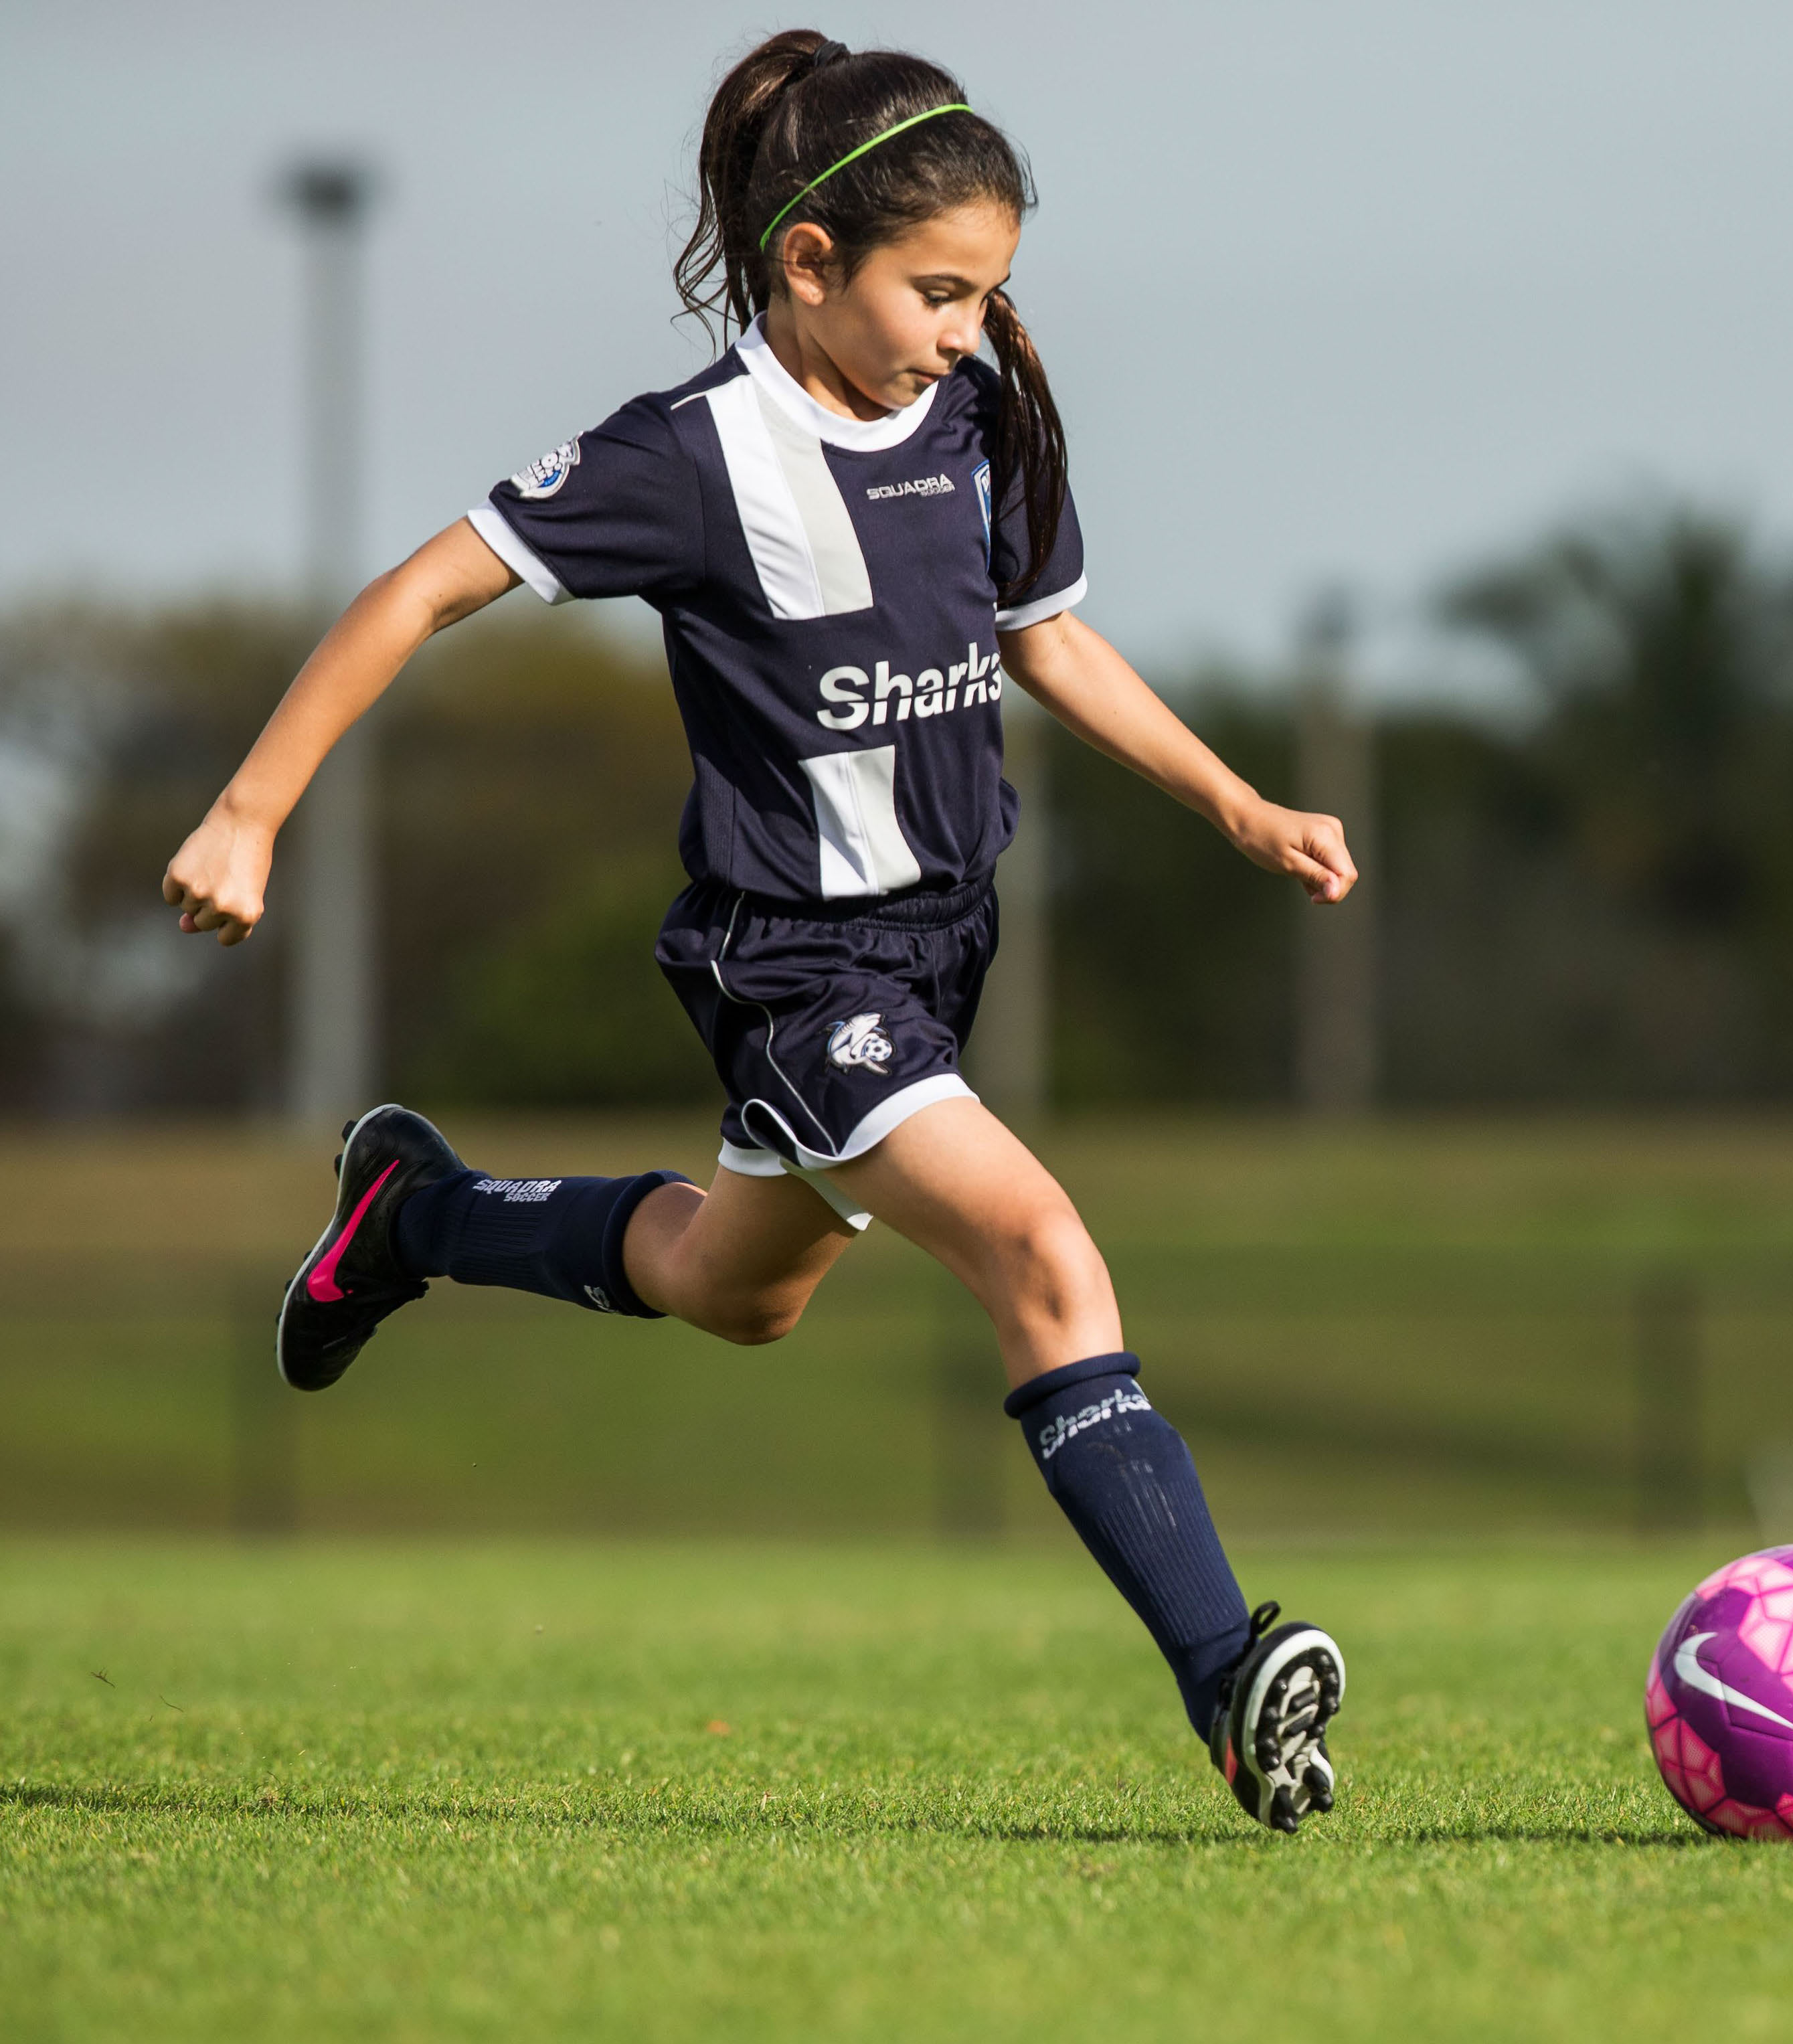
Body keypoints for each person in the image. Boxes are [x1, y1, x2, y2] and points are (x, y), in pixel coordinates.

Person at [161, 31, 1347, 1830]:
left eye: (988, 291)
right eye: (937, 292)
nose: (967, 329)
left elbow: (1043, 635)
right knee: (1041, 1251)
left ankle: (414, 1215)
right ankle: (1225, 1676)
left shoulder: (980, 418)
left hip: (941, 950)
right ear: (808, 263)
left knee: (738, 1290)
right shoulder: (690, 457)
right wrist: (251, 812)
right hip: (796, 967)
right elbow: (416, 591)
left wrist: (1237, 802)